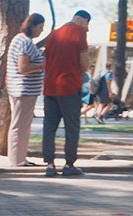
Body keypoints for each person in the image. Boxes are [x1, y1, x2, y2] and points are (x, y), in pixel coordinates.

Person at [41, 10, 91, 177]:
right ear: (84, 20)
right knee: (71, 127)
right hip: (69, 86)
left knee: (49, 126)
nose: (87, 28)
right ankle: (69, 164)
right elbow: (84, 63)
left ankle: (50, 164)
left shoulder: (53, 34)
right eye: (87, 24)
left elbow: (45, 61)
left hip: (50, 86)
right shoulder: (80, 32)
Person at [5, 13, 46, 167]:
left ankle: (20, 157)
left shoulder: (21, 40)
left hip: (21, 89)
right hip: (24, 90)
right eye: (40, 27)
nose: (41, 30)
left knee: (22, 125)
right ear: (32, 26)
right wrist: (42, 65)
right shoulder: (25, 43)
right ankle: (17, 160)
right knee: (20, 126)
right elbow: (23, 67)